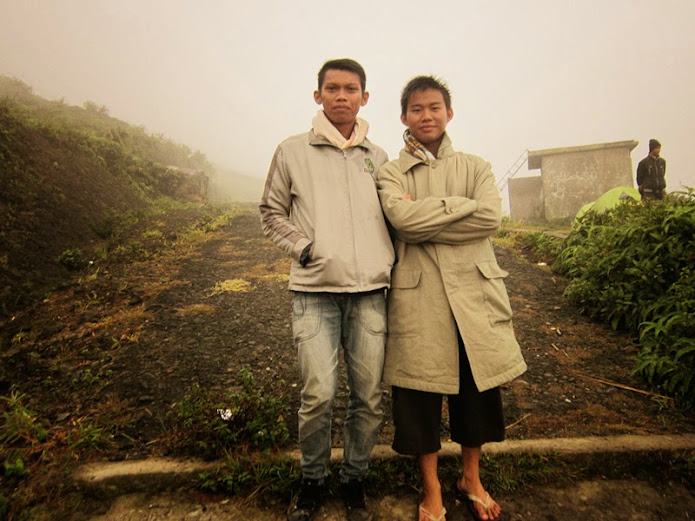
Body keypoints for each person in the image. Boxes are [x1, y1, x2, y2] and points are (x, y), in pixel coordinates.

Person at [376, 76, 527, 521]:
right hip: (419, 299)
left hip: (472, 297)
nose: (427, 116)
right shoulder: (389, 172)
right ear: (404, 116)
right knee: (419, 397)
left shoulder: (476, 165)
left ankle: (471, 478)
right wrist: (459, 206)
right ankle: (431, 489)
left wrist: (428, 214)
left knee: (475, 393)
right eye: (417, 109)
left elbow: (489, 217)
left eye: (435, 107)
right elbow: (403, 222)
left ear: (449, 113)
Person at [259, 58, 395, 521]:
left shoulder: (378, 157)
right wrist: (304, 248)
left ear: (364, 97)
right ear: (317, 96)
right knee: (317, 394)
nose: (341, 96)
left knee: (370, 396)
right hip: (314, 291)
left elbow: (396, 215)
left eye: (351, 89)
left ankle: (354, 479)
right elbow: (270, 212)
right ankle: (312, 481)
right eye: (332, 88)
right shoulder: (292, 151)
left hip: (371, 293)